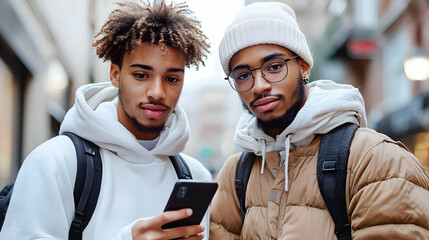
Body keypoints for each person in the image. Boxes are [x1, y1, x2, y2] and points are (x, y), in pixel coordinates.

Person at [209, 2, 429, 239]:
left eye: (274, 67)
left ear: (303, 67)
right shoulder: (234, 175)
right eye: (243, 76)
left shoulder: (375, 159)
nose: (260, 86)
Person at [0, 0, 212, 239]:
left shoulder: (195, 177)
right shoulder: (57, 161)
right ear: (115, 74)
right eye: (141, 75)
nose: (157, 92)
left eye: (172, 79)